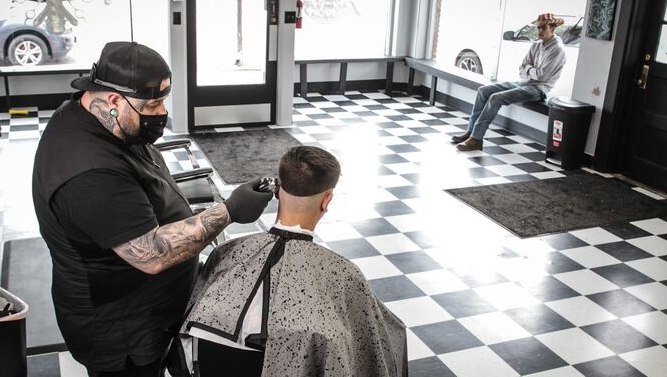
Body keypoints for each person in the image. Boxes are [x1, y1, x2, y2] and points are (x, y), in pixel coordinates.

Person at [32, 41, 273, 377]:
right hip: (122, 327)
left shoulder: (100, 120)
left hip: (152, 309)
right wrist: (229, 211)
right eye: (153, 103)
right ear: (113, 100)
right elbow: (150, 253)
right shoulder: (88, 173)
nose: (161, 112)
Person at [174, 146, 407, 377]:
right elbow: (373, 347)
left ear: (276, 191)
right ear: (327, 200)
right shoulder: (344, 273)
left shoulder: (226, 252)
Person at [452, 13, 567, 151]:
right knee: (483, 91)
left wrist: (529, 69)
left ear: (552, 28)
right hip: (524, 83)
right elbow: (522, 67)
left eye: (543, 28)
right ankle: (470, 131)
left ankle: (476, 139)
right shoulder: (536, 45)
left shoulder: (557, 50)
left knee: (496, 98)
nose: (539, 31)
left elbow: (541, 77)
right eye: (538, 28)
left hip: (539, 89)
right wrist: (531, 70)